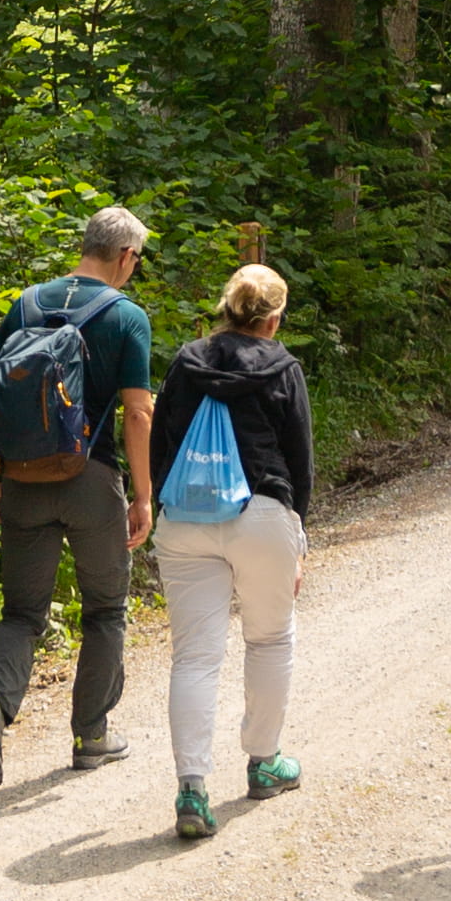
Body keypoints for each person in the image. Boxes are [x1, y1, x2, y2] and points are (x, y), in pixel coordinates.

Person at [0, 205, 155, 790]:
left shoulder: (27, 303)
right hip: (92, 481)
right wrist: (142, 496)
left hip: (22, 480)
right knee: (104, 609)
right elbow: (138, 412)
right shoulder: (126, 316)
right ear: (125, 256)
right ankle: (91, 736)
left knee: (20, 612)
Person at [145, 258, 315, 847]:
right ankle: (264, 762)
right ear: (273, 320)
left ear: (225, 310)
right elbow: (300, 459)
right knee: (269, 638)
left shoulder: (185, 362)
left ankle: (191, 788)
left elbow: (161, 437)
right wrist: (299, 535)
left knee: (195, 658)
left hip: (185, 517)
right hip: (262, 512)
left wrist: (161, 504)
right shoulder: (283, 367)